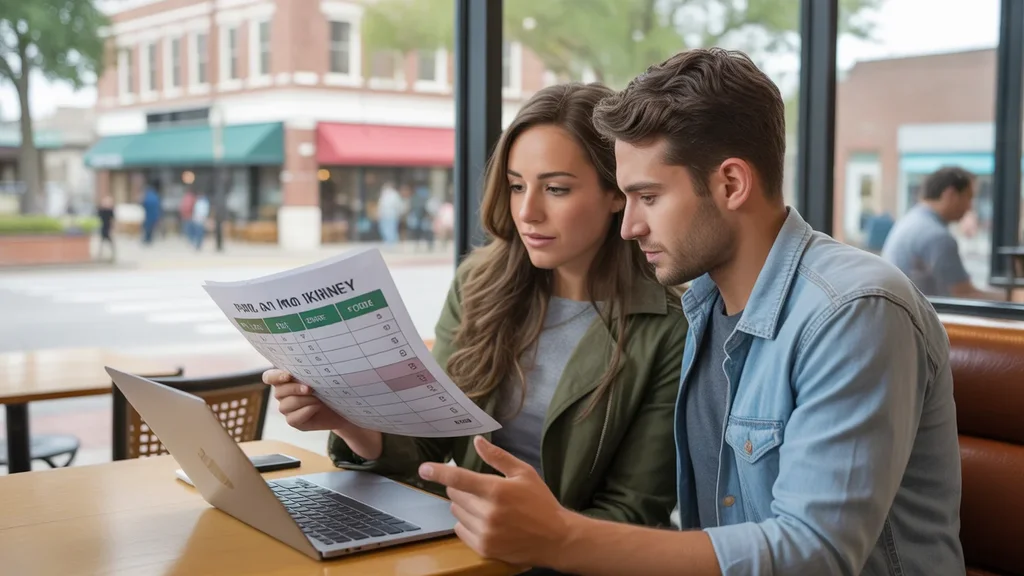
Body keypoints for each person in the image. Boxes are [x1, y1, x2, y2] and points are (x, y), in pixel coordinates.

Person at [417, 48, 965, 576]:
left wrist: (560, 536)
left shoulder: (854, 310)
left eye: (648, 197)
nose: (629, 226)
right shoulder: (703, 306)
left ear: (731, 183)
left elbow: (813, 553)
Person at [264, 83, 687, 529]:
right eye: (516, 186)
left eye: (556, 189)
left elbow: (634, 513)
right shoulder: (481, 283)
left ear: (616, 194)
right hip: (456, 537)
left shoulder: (669, 328)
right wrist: (351, 422)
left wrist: (525, 535)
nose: (527, 212)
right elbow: (428, 445)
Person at [881, 166, 1002, 300]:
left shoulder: (910, 220)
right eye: (969, 198)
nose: (970, 207)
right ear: (950, 195)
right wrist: (1011, 296)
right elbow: (964, 294)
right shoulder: (937, 236)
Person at [96, 194, 116, 262]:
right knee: (102, 241)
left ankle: (111, 254)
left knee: (109, 241)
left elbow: (113, 219)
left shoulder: (110, 211)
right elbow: (98, 215)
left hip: (108, 227)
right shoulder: (101, 210)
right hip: (103, 227)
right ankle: (101, 254)